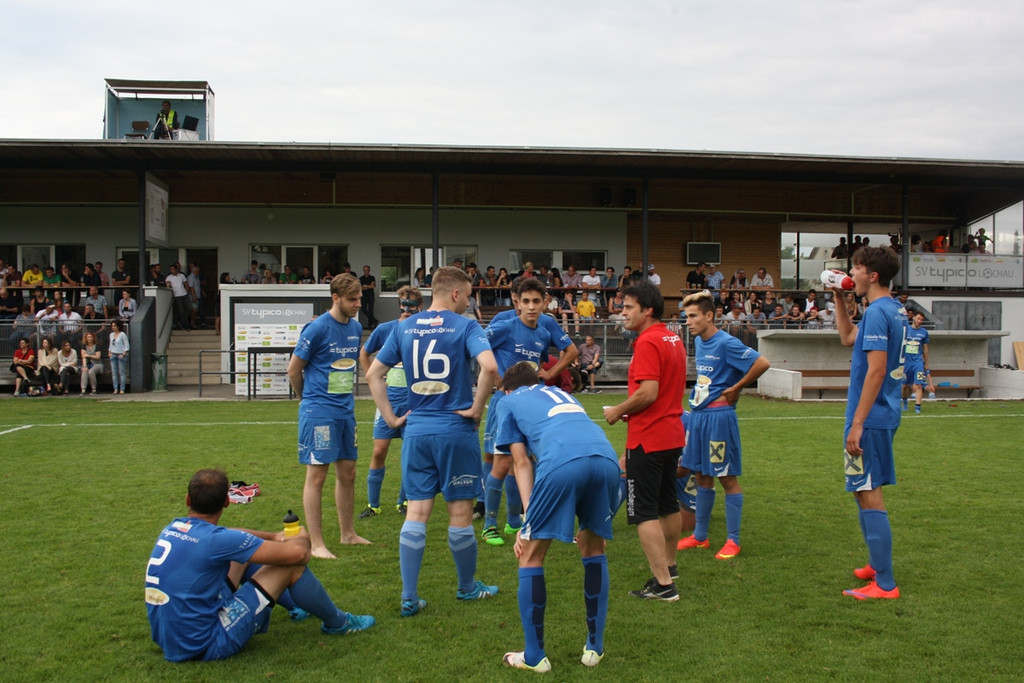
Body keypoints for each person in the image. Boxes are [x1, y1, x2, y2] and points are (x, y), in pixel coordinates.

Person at [365, 266, 500, 617]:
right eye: (468, 296)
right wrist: (476, 408)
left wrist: (393, 418)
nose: (469, 303)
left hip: (418, 431)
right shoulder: (466, 326)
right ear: (455, 294)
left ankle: (409, 595)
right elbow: (490, 367)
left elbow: (372, 373)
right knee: (460, 513)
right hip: (455, 430)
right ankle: (467, 588)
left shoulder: (405, 326)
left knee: (417, 512)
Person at [145, 469, 374, 662]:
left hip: (170, 639)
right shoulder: (216, 540)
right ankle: (338, 622)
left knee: (240, 555)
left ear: (188, 500)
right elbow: (300, 555)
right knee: (291, 566)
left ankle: (297, 606)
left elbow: (230, 535)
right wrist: (301, 537)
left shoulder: (174, 527)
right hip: (205, 644)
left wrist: (274, 537)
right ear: (227, 501)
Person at [494, 363, 619, 672]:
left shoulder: (507, 401)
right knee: (594, 549)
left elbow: (521, 462)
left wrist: (528, 520)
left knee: (530, 556)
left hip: (563, 461)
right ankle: (595, 647)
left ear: (507, 389)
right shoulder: (561, 393)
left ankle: (535, 656)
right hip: (606, 459)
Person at [829, 246, 906, 600]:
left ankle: (885, 583)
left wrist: (857, 424)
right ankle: (876, 565)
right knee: (862, 490)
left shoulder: (877, 312)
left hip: (870, 419)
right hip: (883, 414)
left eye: (856, 268)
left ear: (872, 275)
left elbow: (876, 370)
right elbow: (848, 338)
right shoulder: (893, 309)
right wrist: (839, 300)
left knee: (869, 493)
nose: (852, 274)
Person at [603, 280, 686, 601]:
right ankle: (670, 564)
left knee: (644, 511)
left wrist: (617, 411)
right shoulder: (672, 337)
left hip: (648, 438)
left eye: (627, 308)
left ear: (647, 310)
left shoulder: (648, 342)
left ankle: (663, 584)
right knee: (667, 503)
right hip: (671, 433)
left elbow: (648, 393)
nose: (622, 313)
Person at [481, 278, 577, 547]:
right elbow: (478, 347)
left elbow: (541, 362)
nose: (531, 307)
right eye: (526, 302)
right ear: (517, 303)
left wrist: (548, 374)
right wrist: (497, 378)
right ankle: (489, 525)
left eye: (536, 301)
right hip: (505, 404)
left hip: (531, 406)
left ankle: (515, 521)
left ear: (545, 302)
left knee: (522, 461)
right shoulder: (505, 327)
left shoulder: (543, 333)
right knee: (501, 464)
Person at [677, 290, 770, 560]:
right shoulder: (700, 342)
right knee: (701, 475)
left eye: (693, 316)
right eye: (686, 316)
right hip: (699, 417)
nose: (688, 321)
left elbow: (762, 362)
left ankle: (733, 541)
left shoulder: (726, 342)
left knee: (726, 477)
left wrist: (738, 387)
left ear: (709, 316)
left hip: (719, 418)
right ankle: (700, 536)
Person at [287, 274, 369, 558]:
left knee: (348, 472)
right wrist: (305, 400)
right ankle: (316, 543)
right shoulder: (317, 328)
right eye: (352, 300)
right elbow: (293, 370)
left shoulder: (356, 327)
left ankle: (348, 534)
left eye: (359, 298)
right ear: (335, 298)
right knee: (317, 477)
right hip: (318, 411)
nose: (358, 304)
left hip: (345, 411)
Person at [357, 285, 422, 519]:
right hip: (388, 401)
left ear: (420, 307)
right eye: (402, 304)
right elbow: (364, 353)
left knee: (410, 455)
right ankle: (373, 505)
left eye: (411, 305)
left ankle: (403, 501)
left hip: (414, 403)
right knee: (378, 451)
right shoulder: (385, 329)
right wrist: (374, 378)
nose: (406, 309)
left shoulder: (423, 331)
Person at [902, 311, 934, 413]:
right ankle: (905, 402)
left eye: (921, 320)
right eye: (918, 318)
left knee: (919, 384)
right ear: (913, 318)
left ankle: (917, 408)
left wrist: (926, 362)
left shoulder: (924, 332)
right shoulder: (905, 330)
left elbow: (925, 348)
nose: (919, 321)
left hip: (918, 363)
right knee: (904, 386)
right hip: (906, 363)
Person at [165, 264, 191, 330]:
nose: (172, 271)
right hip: (176, 296)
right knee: (181, 311)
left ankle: (181, 322)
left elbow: (186, 284)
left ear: (176, 269)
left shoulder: (181, 275)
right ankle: (184, 324)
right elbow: (167, 285)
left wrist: (187, 292)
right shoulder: (169, 277)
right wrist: (168, 285)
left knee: (189, 309)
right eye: (170, 269)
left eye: (173, 269)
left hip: (184, 294)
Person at [108, 319, 130, 394]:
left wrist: (123, 354)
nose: (113, 327)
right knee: (114, 373)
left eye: (115, 326)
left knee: (122, 372)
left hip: (121, 355)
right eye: (112, 326)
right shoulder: (111, 335)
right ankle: (115, 389)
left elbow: (127, 346)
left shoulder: (122, 334)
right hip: (113, 354)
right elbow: (110, 345)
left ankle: (122, 389)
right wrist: (109, 352)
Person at [359, 265, 378, 329]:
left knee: (371, 310)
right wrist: (368, 286)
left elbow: (373, 286)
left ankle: (370, 325)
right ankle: (374, 320)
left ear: (369, 271)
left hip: (371, 296)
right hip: (364, 296)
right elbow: (361, 288)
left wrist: (365, 286)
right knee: (363, 309)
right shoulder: (361, 278)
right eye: (364, 270)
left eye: (367, 270)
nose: (366, 271)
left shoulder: (372, 277)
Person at [187, 263, 205, 328]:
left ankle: (192, 322)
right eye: (197, 271)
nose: (198, 273)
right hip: (192, 297)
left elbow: (197, 287)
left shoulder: (196, 277)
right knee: (194, 310)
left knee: (195, 310)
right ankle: (191, 323)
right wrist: (194, 296)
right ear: (194, 271)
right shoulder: (191, 277)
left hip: (197, 296)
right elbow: (191, 287)